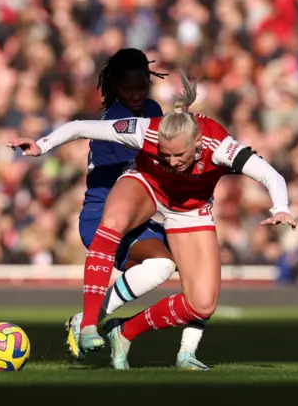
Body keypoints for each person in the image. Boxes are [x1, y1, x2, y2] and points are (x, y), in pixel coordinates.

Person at [8, 72, 295, 369]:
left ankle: (126, 331)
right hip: (146, 186)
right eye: (165, 155)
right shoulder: (146, 130)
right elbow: (81, 127)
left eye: (179, 155)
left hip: (189, 210)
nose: (172, 163)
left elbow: (270, 175)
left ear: (198, 143)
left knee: (202, 304)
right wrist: (41, 146)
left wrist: (280, 207)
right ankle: (90, 323)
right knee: (113, 221)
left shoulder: (221, 146)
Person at [67, 48, 208, 370]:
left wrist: (180, 119)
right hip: (106, 215)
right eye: (127, 88)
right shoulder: (114, 125)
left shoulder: (151, 109)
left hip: (142, 214)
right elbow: (140, 179)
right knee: (162, 265)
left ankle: (187, 352)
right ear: (115, 87)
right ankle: (89, 320)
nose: (134, 95)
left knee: (197, 266)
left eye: (140, 88)